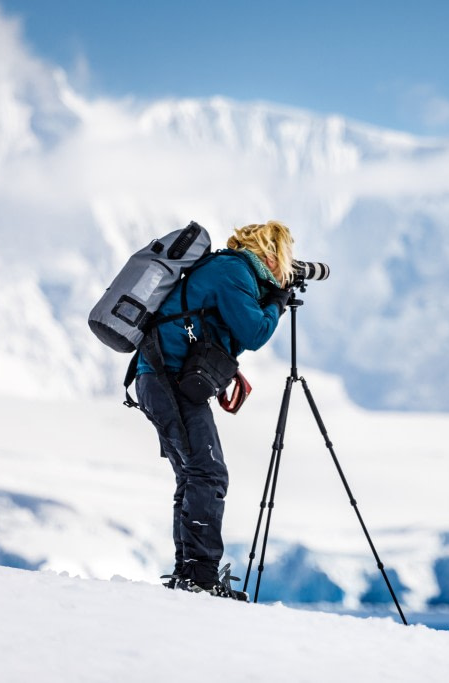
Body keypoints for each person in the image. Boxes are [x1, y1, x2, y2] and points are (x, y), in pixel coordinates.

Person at [134, 220, 295, 596]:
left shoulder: (227, 269)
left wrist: (228, 369)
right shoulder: (233, 271)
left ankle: (189, 573)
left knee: (194, 475)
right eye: (287, 259)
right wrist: (277, 302)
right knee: (208, 473)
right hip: (166, 379)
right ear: (271, 257)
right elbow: (254, 332)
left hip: (161, 379)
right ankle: (199, 579)